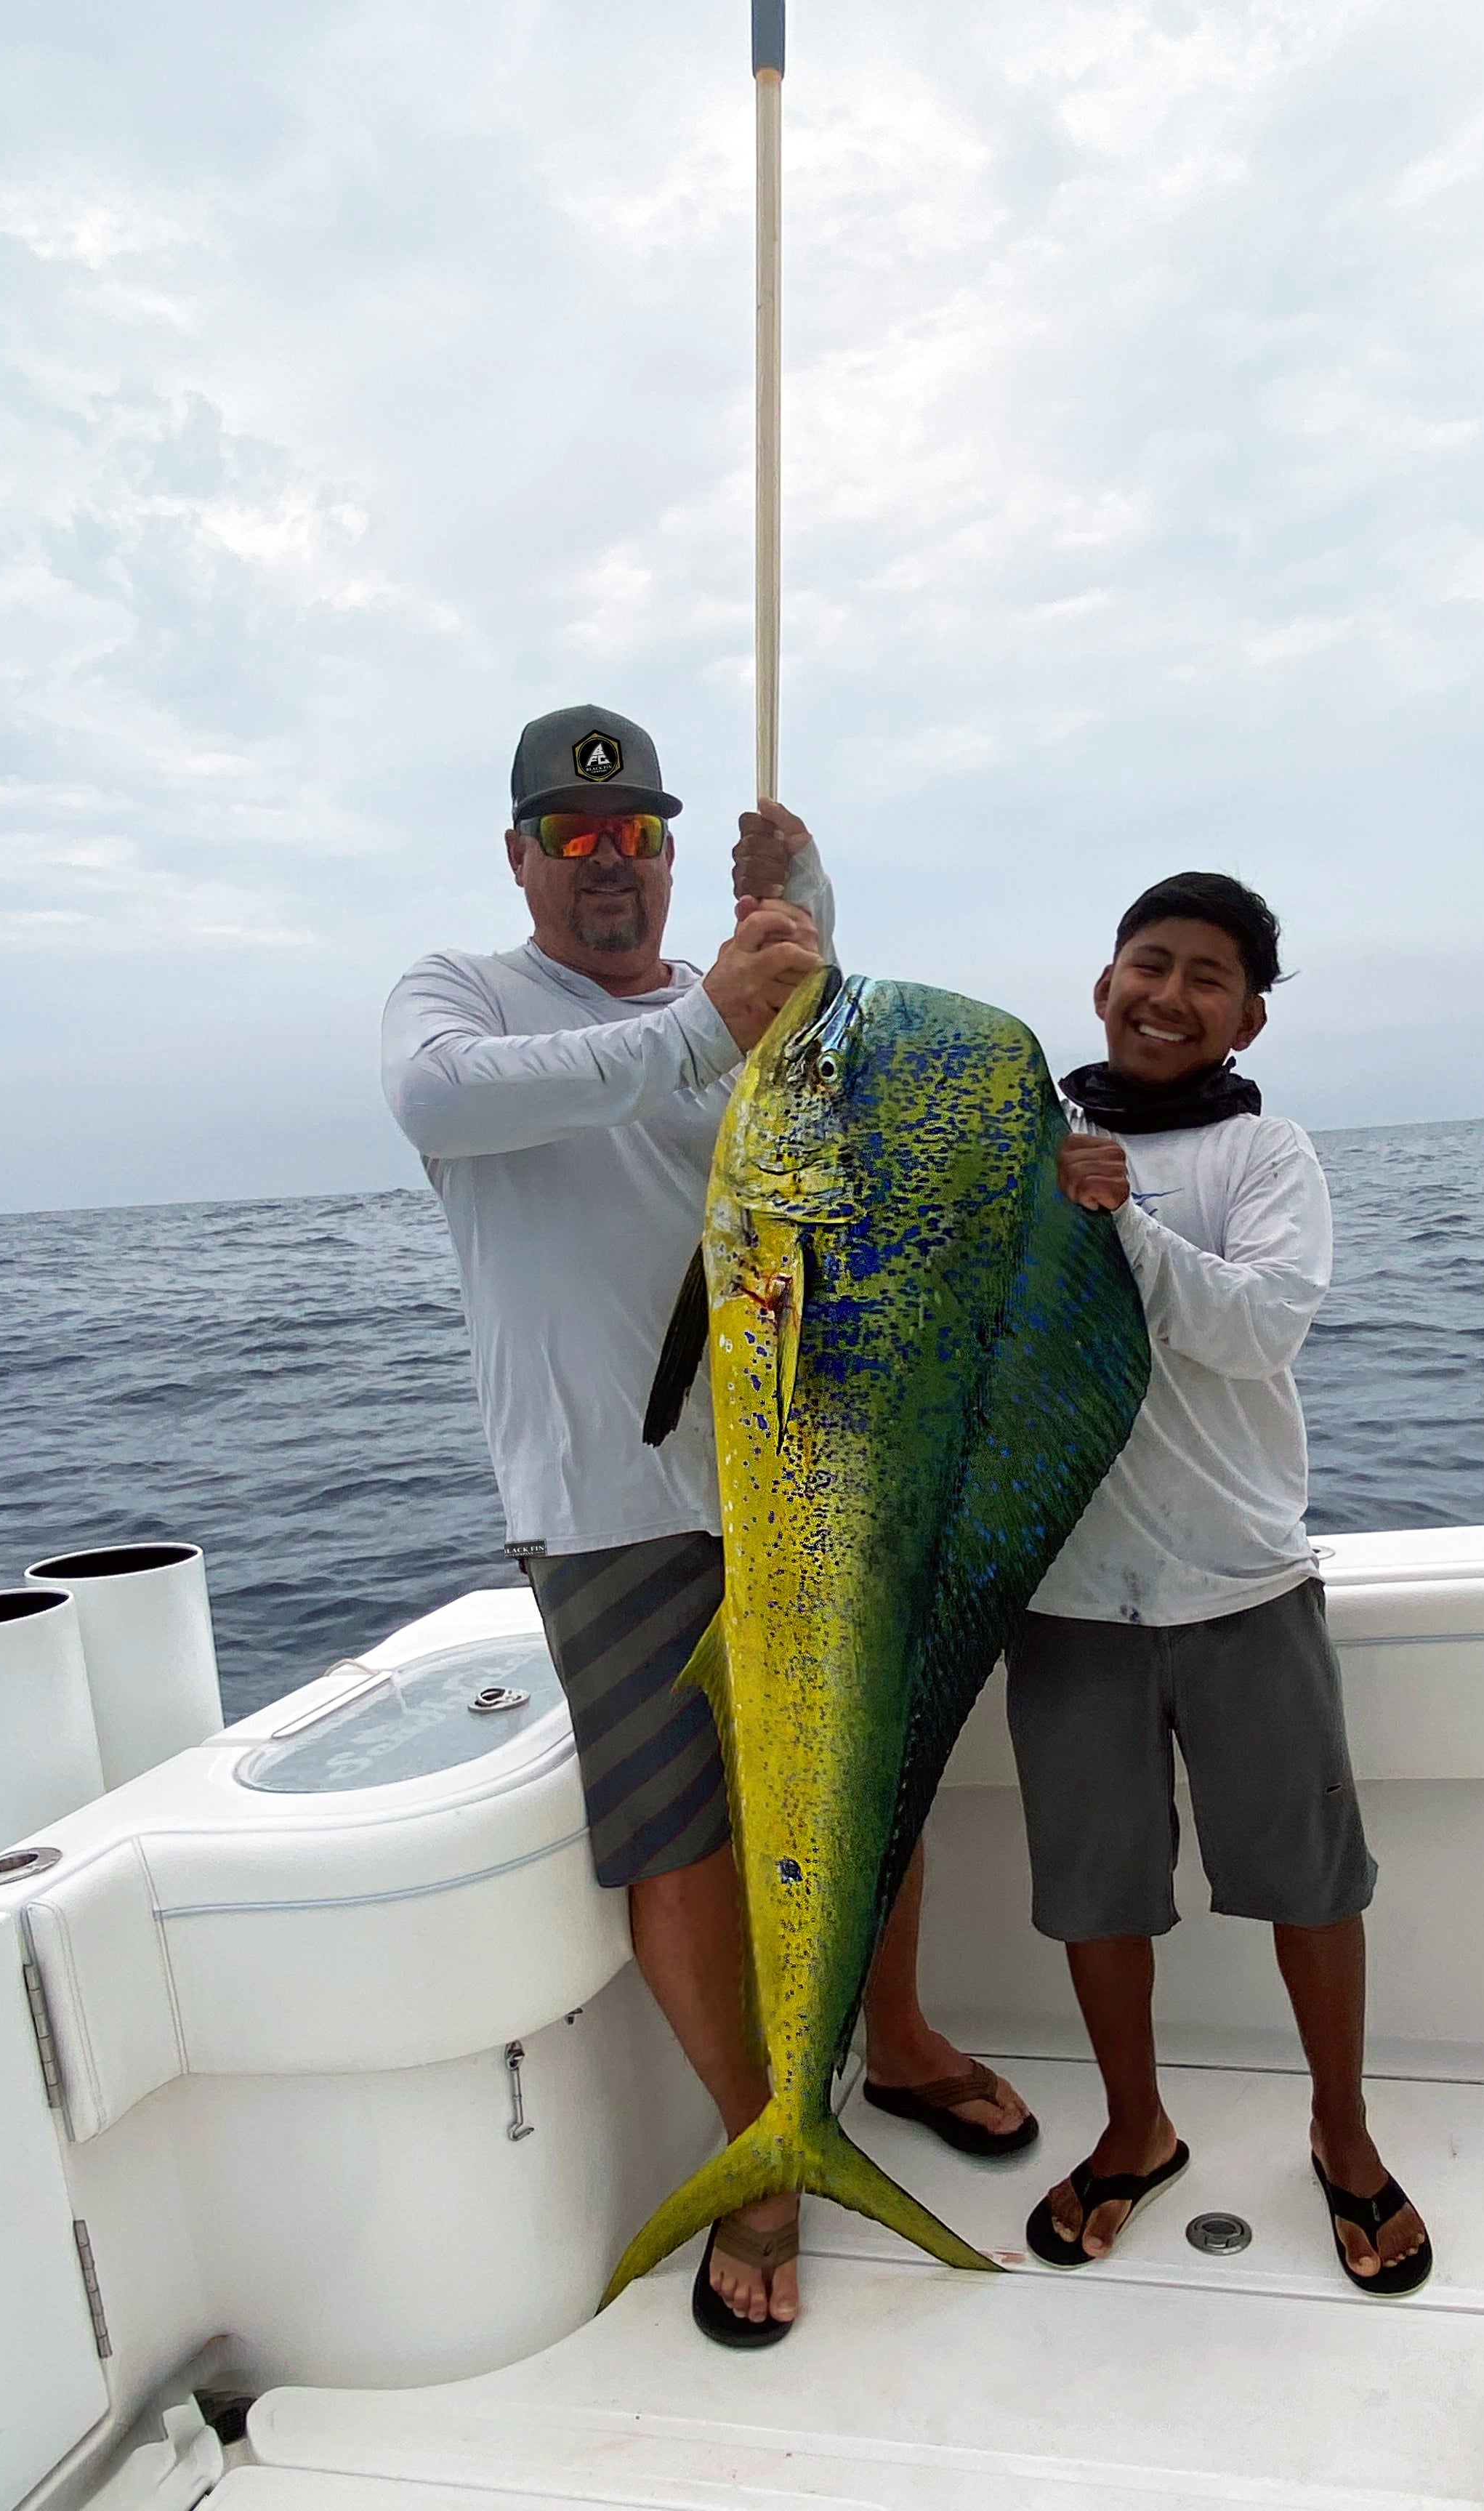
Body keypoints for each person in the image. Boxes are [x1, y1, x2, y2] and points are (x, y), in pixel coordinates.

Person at [382, 706, 1033, 2346]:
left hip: (798, 1472)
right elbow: (442, 1106)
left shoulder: (736, 1003)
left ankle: (895, 2043)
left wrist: (806, 917)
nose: (615, 866)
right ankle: (766, 2151)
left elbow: (836, 1112)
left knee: (862, 1775)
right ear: (520, 854)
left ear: (675, 852)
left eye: (641, 834)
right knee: (678, 1841)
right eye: (578, 837)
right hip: (613, 1508)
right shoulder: (458, 999)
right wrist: (701, 1030)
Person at [1009, 870, 1430, 2292]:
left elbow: (1255, 1333)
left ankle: (1345, 2134)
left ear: (1248, 1019)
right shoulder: (1027, 1144)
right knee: (1093, 1894)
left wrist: (1122, 1218)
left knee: (1312, 1882)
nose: (1168, 995)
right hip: (1064, 1595)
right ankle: (1136, 2129)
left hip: (1244, 1583)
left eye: (1206, 978)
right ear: (1101, 982)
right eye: (1148, 962)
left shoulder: (1268, 1160)